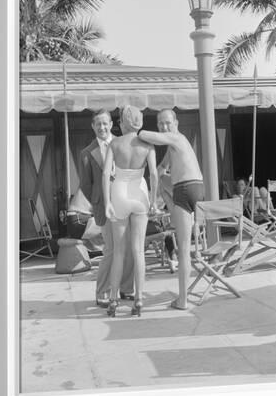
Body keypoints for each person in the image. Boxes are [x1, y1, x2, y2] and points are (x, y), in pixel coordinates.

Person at [138, 108, 204, 310]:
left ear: (176, 123)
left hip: (185, 189)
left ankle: (182, 300)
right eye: (160, 124)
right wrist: (155, 186)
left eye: (167, 122)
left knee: (184, 250)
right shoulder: (173, 147)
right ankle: (160, 204)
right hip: (193, 189)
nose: (164, 127)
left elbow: (149, 136)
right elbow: (160, 169)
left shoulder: (177, 138)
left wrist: (137, 132)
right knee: (164, 185)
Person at [103, 105, 158, 317]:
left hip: (118, 194)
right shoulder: (148, 144)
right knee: (138, 251)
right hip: (140, 194)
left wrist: (107, 201)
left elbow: (106, 173)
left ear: (123, 123)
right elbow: (153, 174)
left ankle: (113, 300)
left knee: (119, 251)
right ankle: (139, 299)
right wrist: (153, 201)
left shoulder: (115, 143)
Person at [79, 109, 135, 308]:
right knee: (111, 250)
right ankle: (102, 291)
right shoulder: (86, 153)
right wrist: (98, 202)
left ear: (112, 124)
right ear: (93, 126)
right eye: (98, 124)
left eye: (105, 123)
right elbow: (86, 185)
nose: (102, 127)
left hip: (126, 203)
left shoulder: (125, 143)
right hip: (104, 207)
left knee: (128, 247)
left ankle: (126, 289)